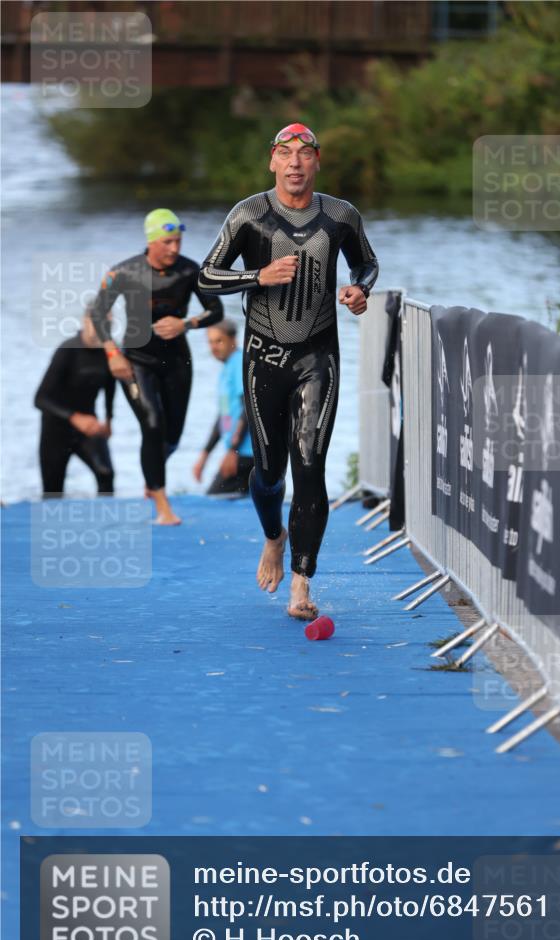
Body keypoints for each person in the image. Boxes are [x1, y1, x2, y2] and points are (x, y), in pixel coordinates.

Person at [198, 123, 378, 619]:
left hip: (318, 358)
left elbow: (366, 264)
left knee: (309, 466)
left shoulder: (341, 215)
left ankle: (302, 582)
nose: (295, 162)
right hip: (264, 358)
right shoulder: (249, 216)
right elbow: (207, 276)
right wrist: (258, 275)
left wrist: (359, 290)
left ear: (317, 161)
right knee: (270, 469)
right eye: (285, 153)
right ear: (271, 162)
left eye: (305, 153)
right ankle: (274, 537)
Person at [89, 209, 223, 525]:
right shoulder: (123, 272)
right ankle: (163, 506)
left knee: (171, 436)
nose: (175, 248)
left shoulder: (190, 271)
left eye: (178, 241)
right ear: (152, 241)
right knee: (152, 424)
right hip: (135, 361)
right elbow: (97, 313)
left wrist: (186, 324)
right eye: (168, 242)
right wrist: (112, 354)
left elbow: (215, 311)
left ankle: (152, 476)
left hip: (177, 360)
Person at [34, 310, 115, 498]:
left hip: (88, 429)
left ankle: (106, 523)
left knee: (106, 474)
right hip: (56, 430)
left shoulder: (109, 352)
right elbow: (40, 398)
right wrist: (75, 418)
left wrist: (109, 420)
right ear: (85, 321)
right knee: (53, 491)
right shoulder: (67, 350)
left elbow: (110, 387)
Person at [192, 320, 254, 495]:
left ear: (232, 339)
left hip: (248, 453)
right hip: (238, 452)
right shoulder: (226, 369)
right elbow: (224, 418)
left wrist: (232, 451)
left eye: (219, 341)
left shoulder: (239, 364)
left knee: (214, 499)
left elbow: (248, 407)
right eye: (210, 342)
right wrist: (205, 455)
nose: (214, 347)